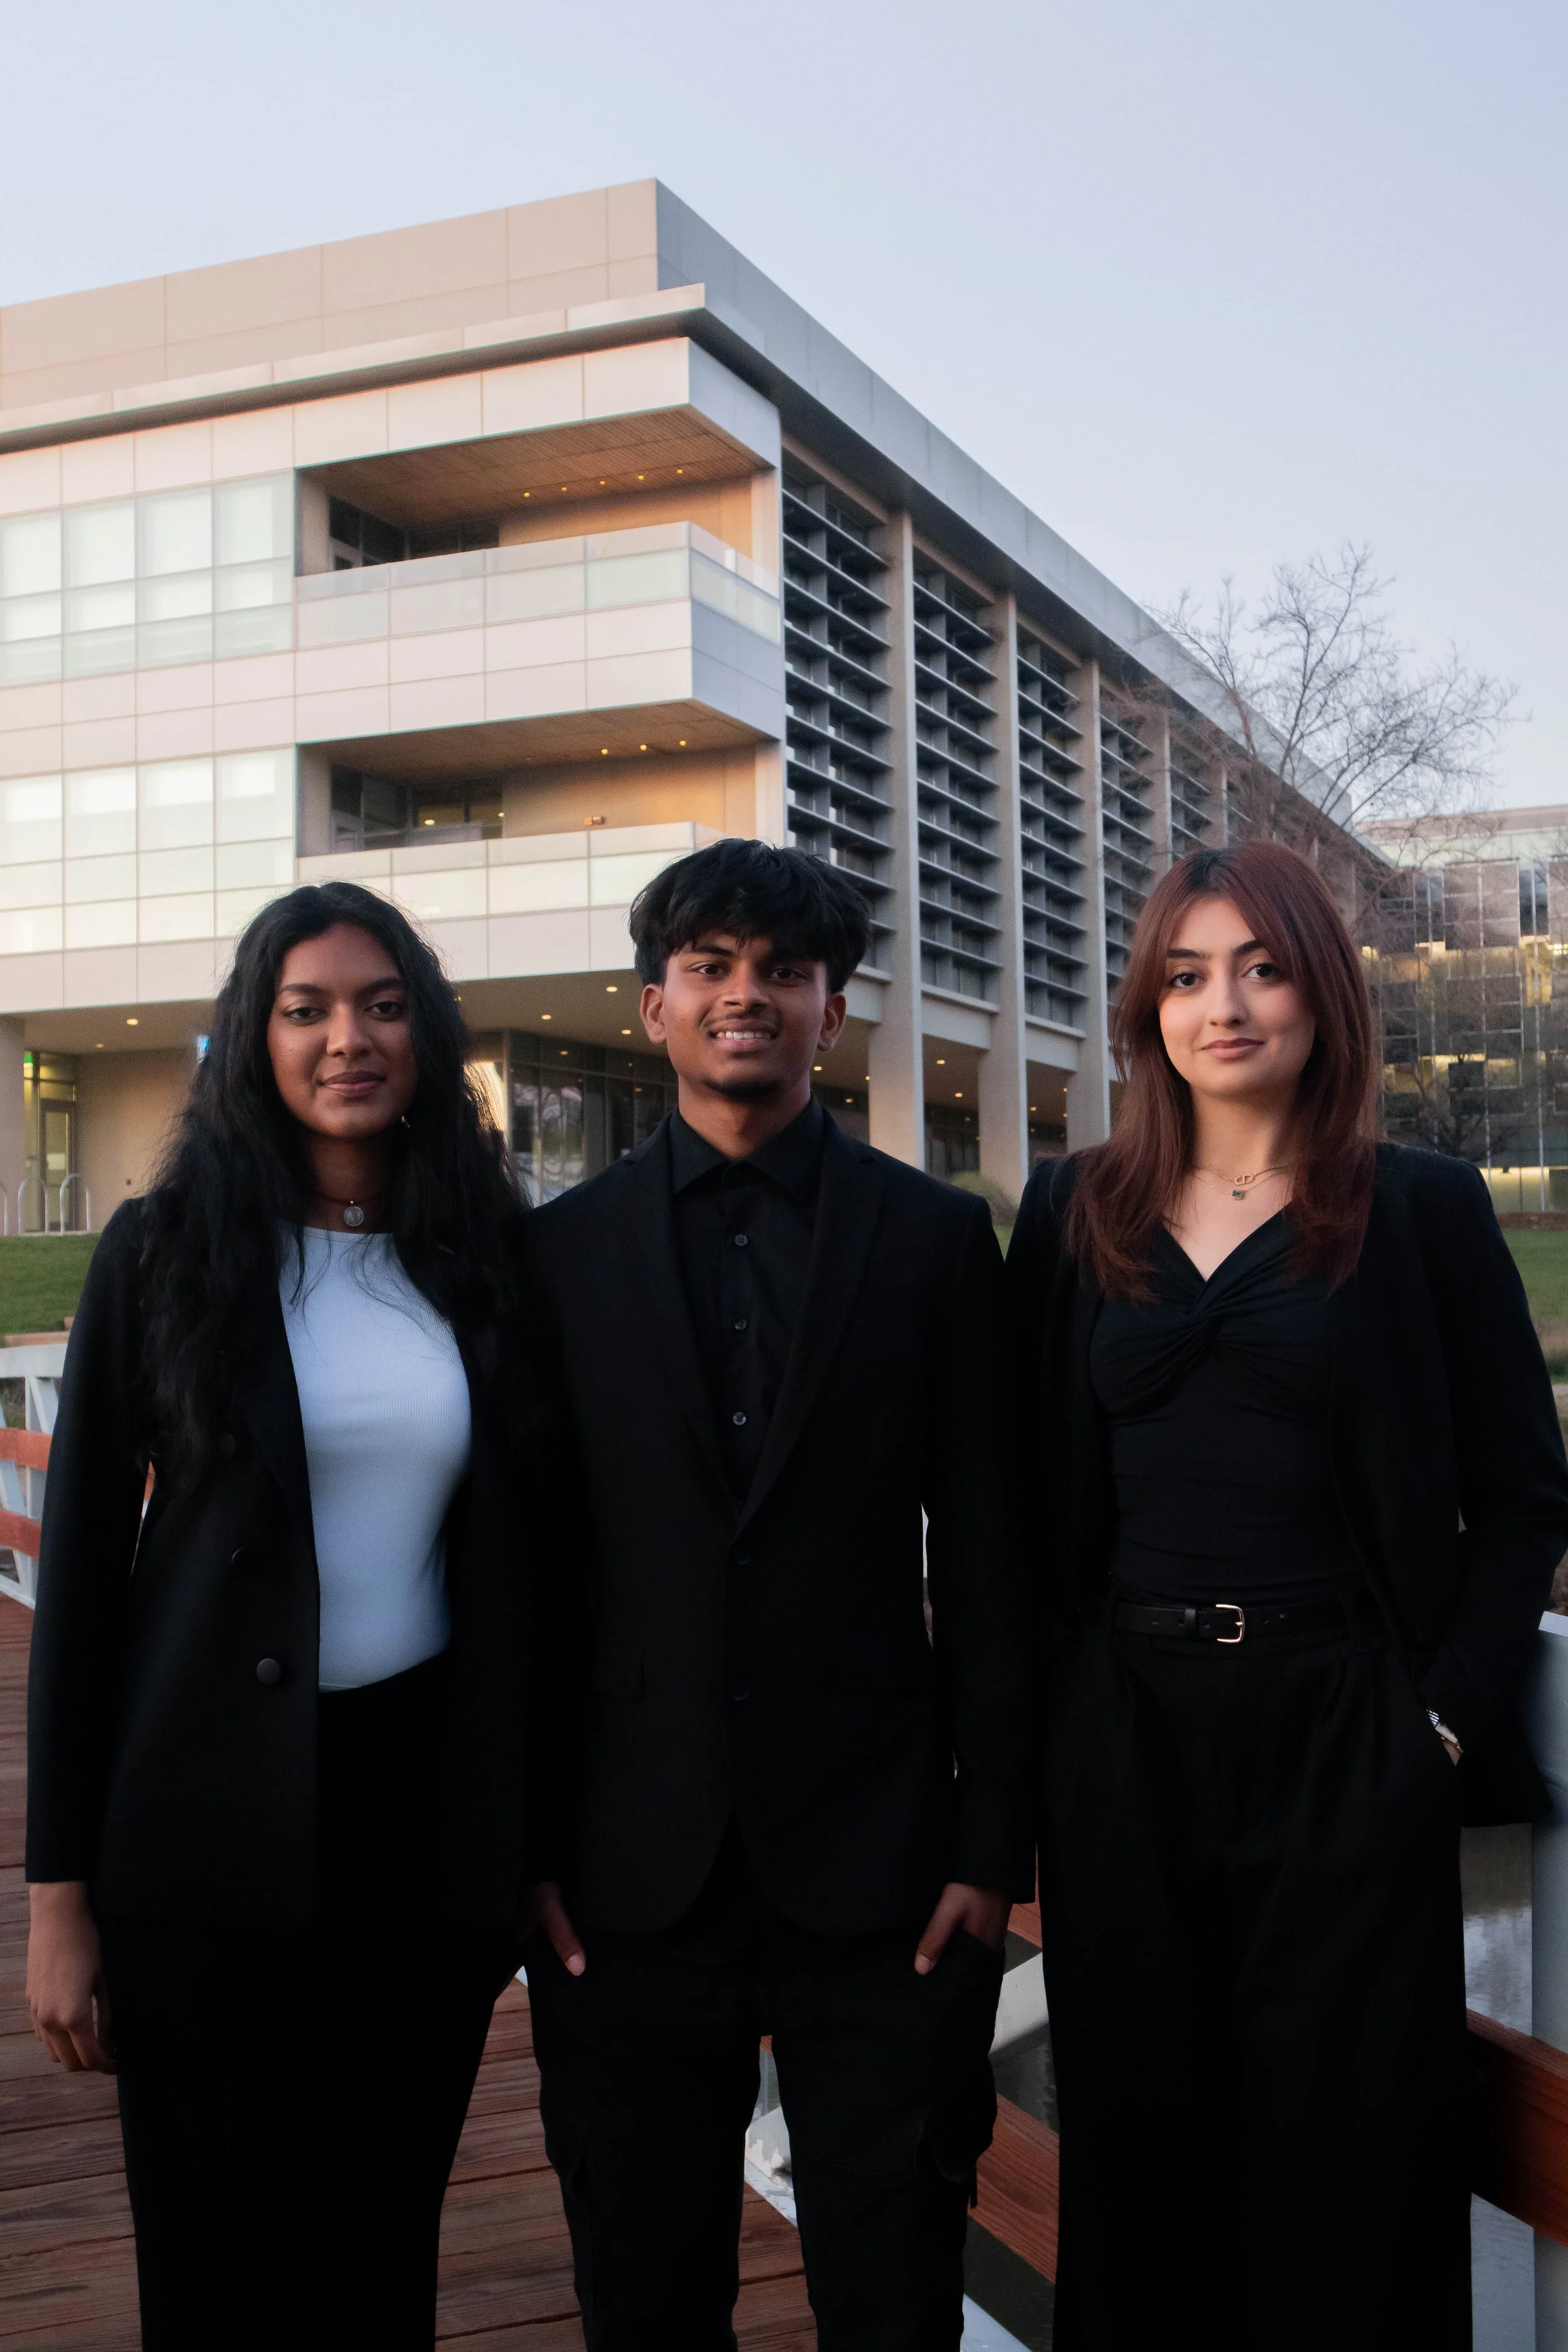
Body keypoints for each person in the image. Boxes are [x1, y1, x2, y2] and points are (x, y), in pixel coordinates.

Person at [1007, 839, 1568, 2350]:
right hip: (1126, 1741)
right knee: (1137, 2152)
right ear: (1147, 1008)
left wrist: (1434, 1718)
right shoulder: (1070, 1210)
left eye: (1261, 969)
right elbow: (1024, 1509)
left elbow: (1523, 1497)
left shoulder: (1421, 1209)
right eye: (1187, 975)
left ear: (1320, 994)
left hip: (1346, 1737)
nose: (1225, 1006)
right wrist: (1054, 1730)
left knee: (1355, 2161)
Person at [25, 881, 558, 2352]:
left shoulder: (484, 1261)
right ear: (253, 1039)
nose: (347, 1040)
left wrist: (527, 1837)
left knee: (378, 2248)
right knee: (212, 2263)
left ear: (425, 1035)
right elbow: (77, 1590)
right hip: (197, 1831)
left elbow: (535, 1555)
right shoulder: (162, 1253)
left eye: (383, 1007)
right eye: (306, 1009)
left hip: (416, 1830)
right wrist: (59, 1900)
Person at [522, 838, 1034, 2350]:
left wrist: (989, 1843)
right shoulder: (554, 1257)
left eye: (782, 971)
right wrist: (524, 1845)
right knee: (644, 2295)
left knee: (892, 2295)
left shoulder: (933, 1241)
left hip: (886, 1872)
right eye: (709, 967)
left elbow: (992, 1555)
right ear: (653, 1005)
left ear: (831, 1008)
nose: (744, 994)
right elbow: (526, 1574)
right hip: (621, 1876)